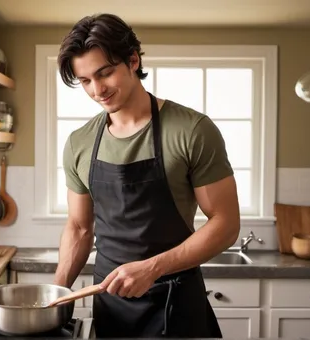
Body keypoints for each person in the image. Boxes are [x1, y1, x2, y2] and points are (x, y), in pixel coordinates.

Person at [53, 13, 240, 338]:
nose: (97, 90)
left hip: (175, 305)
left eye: (105, 73)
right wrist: (56, 292)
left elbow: (225, 224)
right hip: (110, 307)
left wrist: (153, 268)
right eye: (85, 81)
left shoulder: (192, 131)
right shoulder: (79, 144)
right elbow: (80, 228)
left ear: (133, 60)